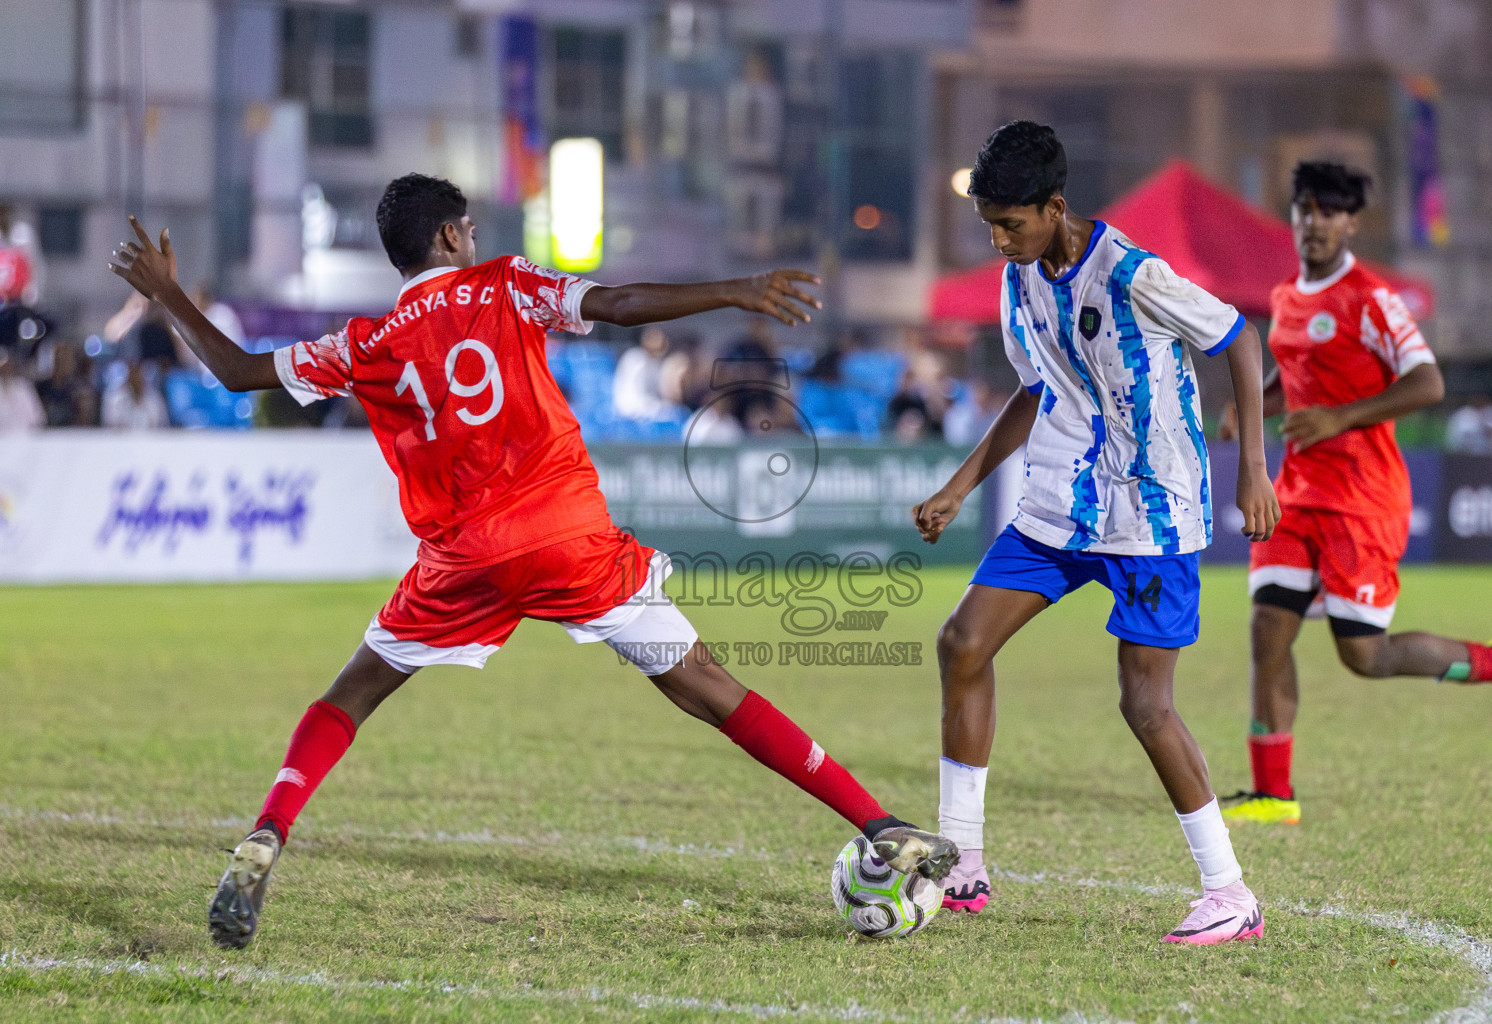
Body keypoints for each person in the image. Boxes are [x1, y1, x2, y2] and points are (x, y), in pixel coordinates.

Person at [107, 174, 958, 951]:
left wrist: (168, 293)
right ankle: (877, 822)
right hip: (566, 534)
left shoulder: (365, 342)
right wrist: (735, 289)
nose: (474, 239)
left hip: (464, 559)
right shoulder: (506, 284)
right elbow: (618, 303)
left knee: (348, 698)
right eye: (466, 229)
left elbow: (235, 371)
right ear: (445, 239)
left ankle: (268, 830)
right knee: (705, 682)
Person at [910, 121, 1280, 944]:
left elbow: (1239, 337)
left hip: (1152, 514)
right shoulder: (1020, 281)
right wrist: (960, 484)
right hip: (1059, 508)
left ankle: (1231, 893)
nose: (1001, 241)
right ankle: (963, 862)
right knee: (962, 644)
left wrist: (1254, 467)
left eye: (1013, 223)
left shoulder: (1133, 273)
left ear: (1056, 206)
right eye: (990, 226)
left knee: (1145, 706)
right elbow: (1036, 388)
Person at [1216, 162, 1492, 827]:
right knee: (1267, 632)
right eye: (1306, 209)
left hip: (1361, 499)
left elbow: (1427, 384)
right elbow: (1294, 369)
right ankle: (1274, 793)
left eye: (1330, 212)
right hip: (1297, 494)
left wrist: (1339, 417)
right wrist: (1255, 404)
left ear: (1351, 222)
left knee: (1366, 655)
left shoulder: (1371, 298)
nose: (1315, 222)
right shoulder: (1287, 296)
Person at [100, 360, 169, 430]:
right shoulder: (115, 398)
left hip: (151, 438)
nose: (136, 379)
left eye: (139, 375)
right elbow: (109, 425)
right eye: (133, 375)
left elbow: (162, 424)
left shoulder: (155, 398)